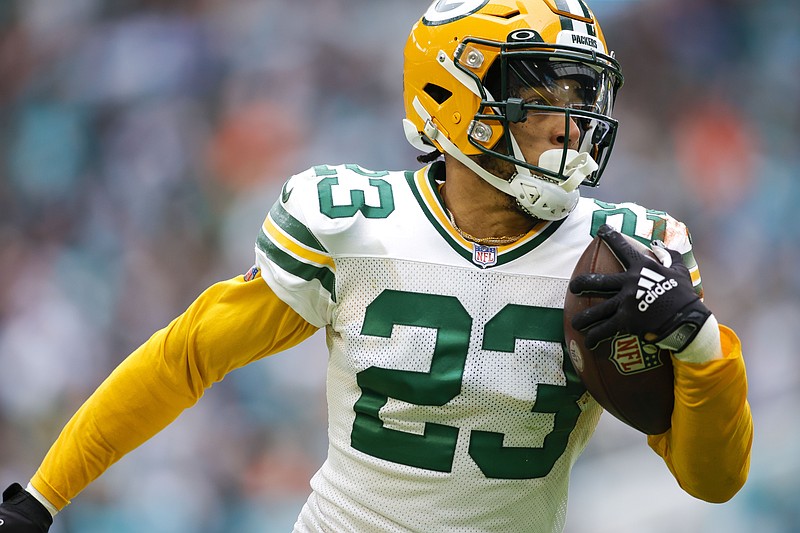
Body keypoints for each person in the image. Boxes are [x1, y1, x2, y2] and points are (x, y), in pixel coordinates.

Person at [0, 0, 753, 531]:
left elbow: (713, 482)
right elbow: (185, 357)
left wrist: (698, 341)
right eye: (540, 92)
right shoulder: (354, 223)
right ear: (451, 95)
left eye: (581, 93)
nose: (571, 122)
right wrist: (42, 495)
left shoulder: (627, 254)